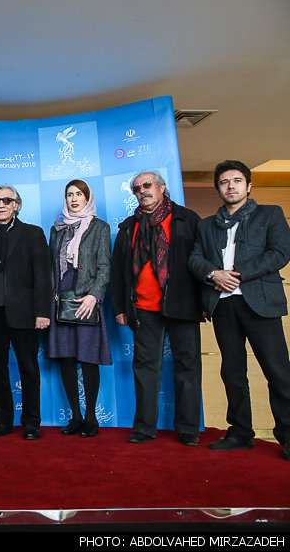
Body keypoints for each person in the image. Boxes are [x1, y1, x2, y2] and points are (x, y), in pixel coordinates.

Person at [188, 160, 290, 460]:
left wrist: (238, 274)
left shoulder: (270, 214)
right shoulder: (206, 224)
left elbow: (280, 252)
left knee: (278, 372)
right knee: (232, 372)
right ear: (218, 189)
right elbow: (195, 259)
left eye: (236, 181)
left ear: (248, 185)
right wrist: (213, 274)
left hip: (260, 304)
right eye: (224, 182)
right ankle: (240, 433)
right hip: (223, 304)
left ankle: (287, 435)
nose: (230, 186)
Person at [111, 170, 203, 446]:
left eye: (147, 185)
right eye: (137, 189)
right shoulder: (128, 227)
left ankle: (188, 430)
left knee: (187, 366)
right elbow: (118, 271)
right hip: (143, 307)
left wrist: (204, 302)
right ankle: (144, 428)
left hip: (183, 304)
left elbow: (202, 261)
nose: (142, 191)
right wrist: (120, 307)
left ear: (161, 187)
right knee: (145, 368)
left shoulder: (187, 219)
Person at [0, 185, 51, 439]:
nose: (1, 204)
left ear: (16, 205)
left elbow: (43, 275)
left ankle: (31, 423)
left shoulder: (33, 233)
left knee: (29, 369)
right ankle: (3, 422)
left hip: (25, 314)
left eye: (6, 200)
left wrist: (42, 312)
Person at [45, 180, 112, 438]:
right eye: (69, 194)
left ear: (87, 198)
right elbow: (51, 268)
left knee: (88, 357)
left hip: (86, 299)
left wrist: (94, 296)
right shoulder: (57, 230)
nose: (74, 199)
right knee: (67, 358)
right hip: (61, 298)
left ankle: (91, 417)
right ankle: (75, 416)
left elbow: (104, 266)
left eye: (79, 194)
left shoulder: (100, 227)